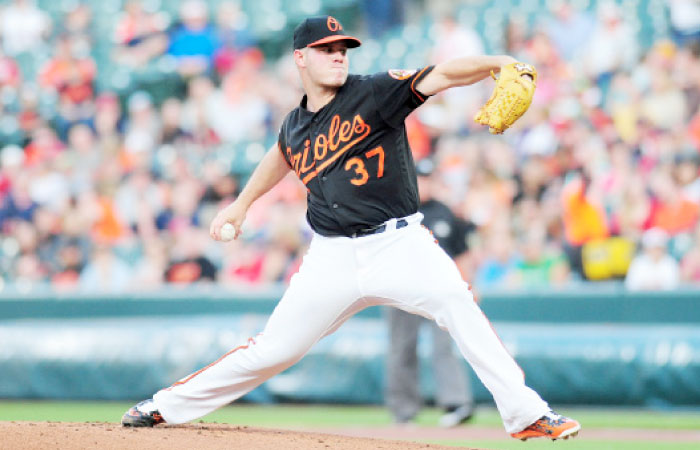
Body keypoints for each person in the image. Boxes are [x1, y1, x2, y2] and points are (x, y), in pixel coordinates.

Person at [121, 16, 581, 441]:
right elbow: (280, 155)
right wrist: (241, 205)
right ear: (301, 57)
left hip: (399, 242)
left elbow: (441, 74)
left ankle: (526, 414)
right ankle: (164, 407)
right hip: (332, 255)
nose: (339, 54)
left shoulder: (375, 91)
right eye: (327, 49)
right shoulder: (296, 125)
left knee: (457, 302)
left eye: (344, 48)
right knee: (273, 351)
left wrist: (498, 64)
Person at [386, 158, 475, 427]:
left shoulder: (445, 213)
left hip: (440, 288)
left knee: (443, 347)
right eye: (418, 178)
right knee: (402, 348)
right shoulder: (395, 211)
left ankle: (457, 404)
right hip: (402, 288)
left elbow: (463, 254)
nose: (422, 183)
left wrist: (468, 284)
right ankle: (403, 411)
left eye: (427, 178)